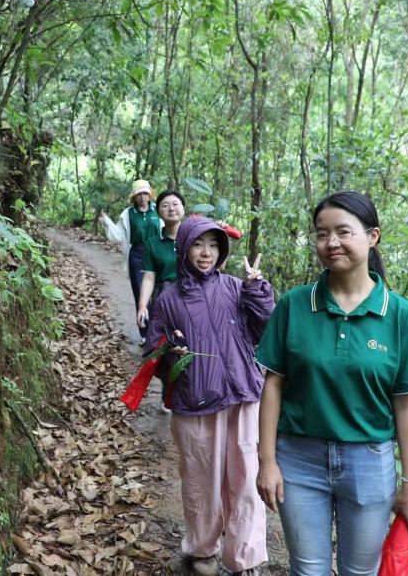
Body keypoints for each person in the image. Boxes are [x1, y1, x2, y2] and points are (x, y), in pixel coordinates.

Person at [255, 191, 408, 576]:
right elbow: (273, 385)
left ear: (372, 237)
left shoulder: (400, 316)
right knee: (308, 570)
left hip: (369, 464)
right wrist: (267, 461)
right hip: (298, 459)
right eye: (322, 234)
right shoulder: (294, 305)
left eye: (343, 232)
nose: (331, 243)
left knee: (361, 572)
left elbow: (407, 407)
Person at [145, 216, 274, 576]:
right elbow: (152, 355)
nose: (207, 253)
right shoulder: (168, 300)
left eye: (214, 246)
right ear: (184, 248)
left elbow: (268, 329)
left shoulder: (237, 287)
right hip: (195, 403)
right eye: (199, 244)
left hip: (243, 399)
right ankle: (202, 550)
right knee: (202, 482)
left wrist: (257, 288)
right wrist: (170, 352)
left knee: (246, 481)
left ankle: (245, 558)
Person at [100, 179, 162, 332]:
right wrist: (107, 222)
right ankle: (144, 333)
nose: (142, 197)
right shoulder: (128, 213)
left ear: (150, 195)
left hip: (156, 254)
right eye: (139, 194)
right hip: (138, 255)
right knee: (141, 293)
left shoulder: (157, 210)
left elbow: (167, 229)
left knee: (158, 293)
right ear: (134, 197)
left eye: (145, 193)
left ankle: (156, 332)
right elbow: (119, 235)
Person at [135, 190, 186, 330]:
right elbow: (149, 277)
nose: (171, 208)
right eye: (165, 205)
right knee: (162, 340)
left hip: (191, 295)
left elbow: (218, 266)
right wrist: (142, 306)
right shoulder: (153, 243)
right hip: (163, 297)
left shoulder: (194, 238)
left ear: (183, 209)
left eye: (175, 204)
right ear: (158, 212)